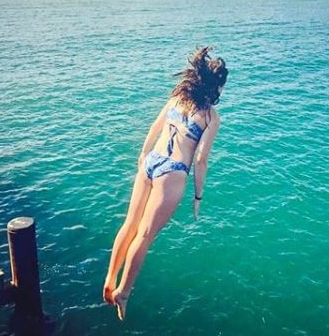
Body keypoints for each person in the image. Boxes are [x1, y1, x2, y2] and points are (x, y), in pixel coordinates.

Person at [103, 46, 228, 320]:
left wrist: (142, 156)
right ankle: (123, 292)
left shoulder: (176, 98)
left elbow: (153, 128)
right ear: (215, 87)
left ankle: (111, 278)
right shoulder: (210, 117)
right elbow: (200, 161)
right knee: (145, 235)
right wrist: (198, 197)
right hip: (172, 171)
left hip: (151, 161)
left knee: (130, 224)